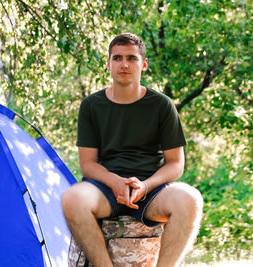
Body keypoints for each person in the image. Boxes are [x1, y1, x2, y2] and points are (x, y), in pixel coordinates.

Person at [61, 33, 203, 267]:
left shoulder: (162, 105)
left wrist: (146, 185)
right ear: (108, 64)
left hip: (151, 190)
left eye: (131, 58)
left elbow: (176, 163)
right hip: (104, 189)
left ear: (143, 64)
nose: (124, 64)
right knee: (72, 198)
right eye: (117, 58)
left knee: (190, 199)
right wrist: (115, 181)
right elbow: (87, 164)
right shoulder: (91, 106)